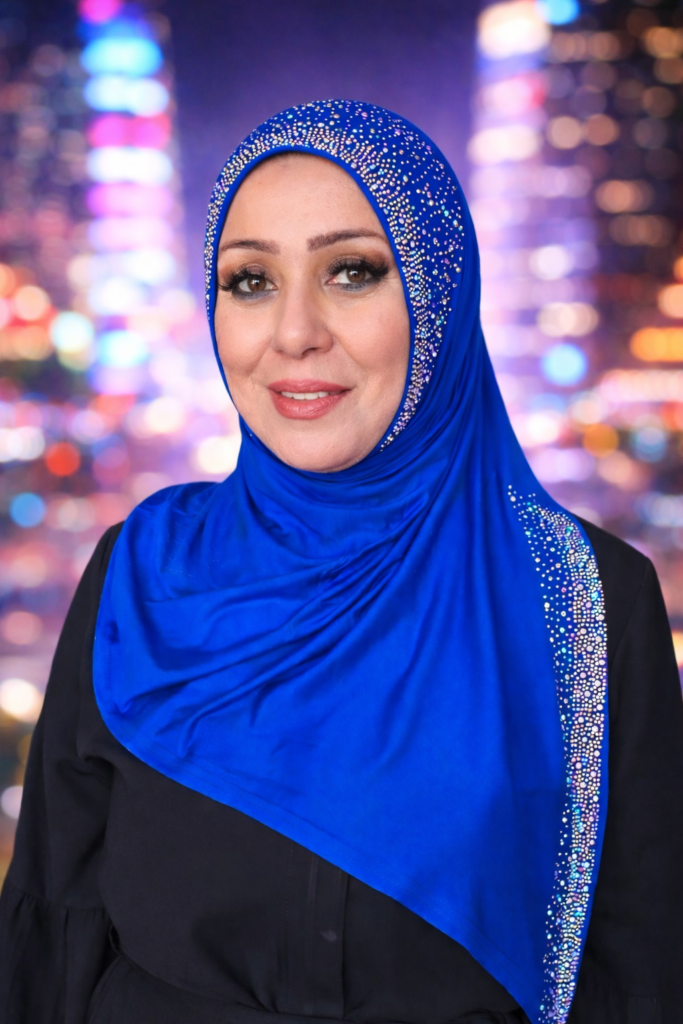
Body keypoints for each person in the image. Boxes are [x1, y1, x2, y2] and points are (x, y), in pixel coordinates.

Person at [1, 100, 682, 1024]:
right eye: (250, 281)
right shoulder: (141, 573)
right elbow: (54, 936)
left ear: (441, 297)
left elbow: (641, 970)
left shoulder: (587, 601)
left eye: (351, 272)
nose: (293, 333)